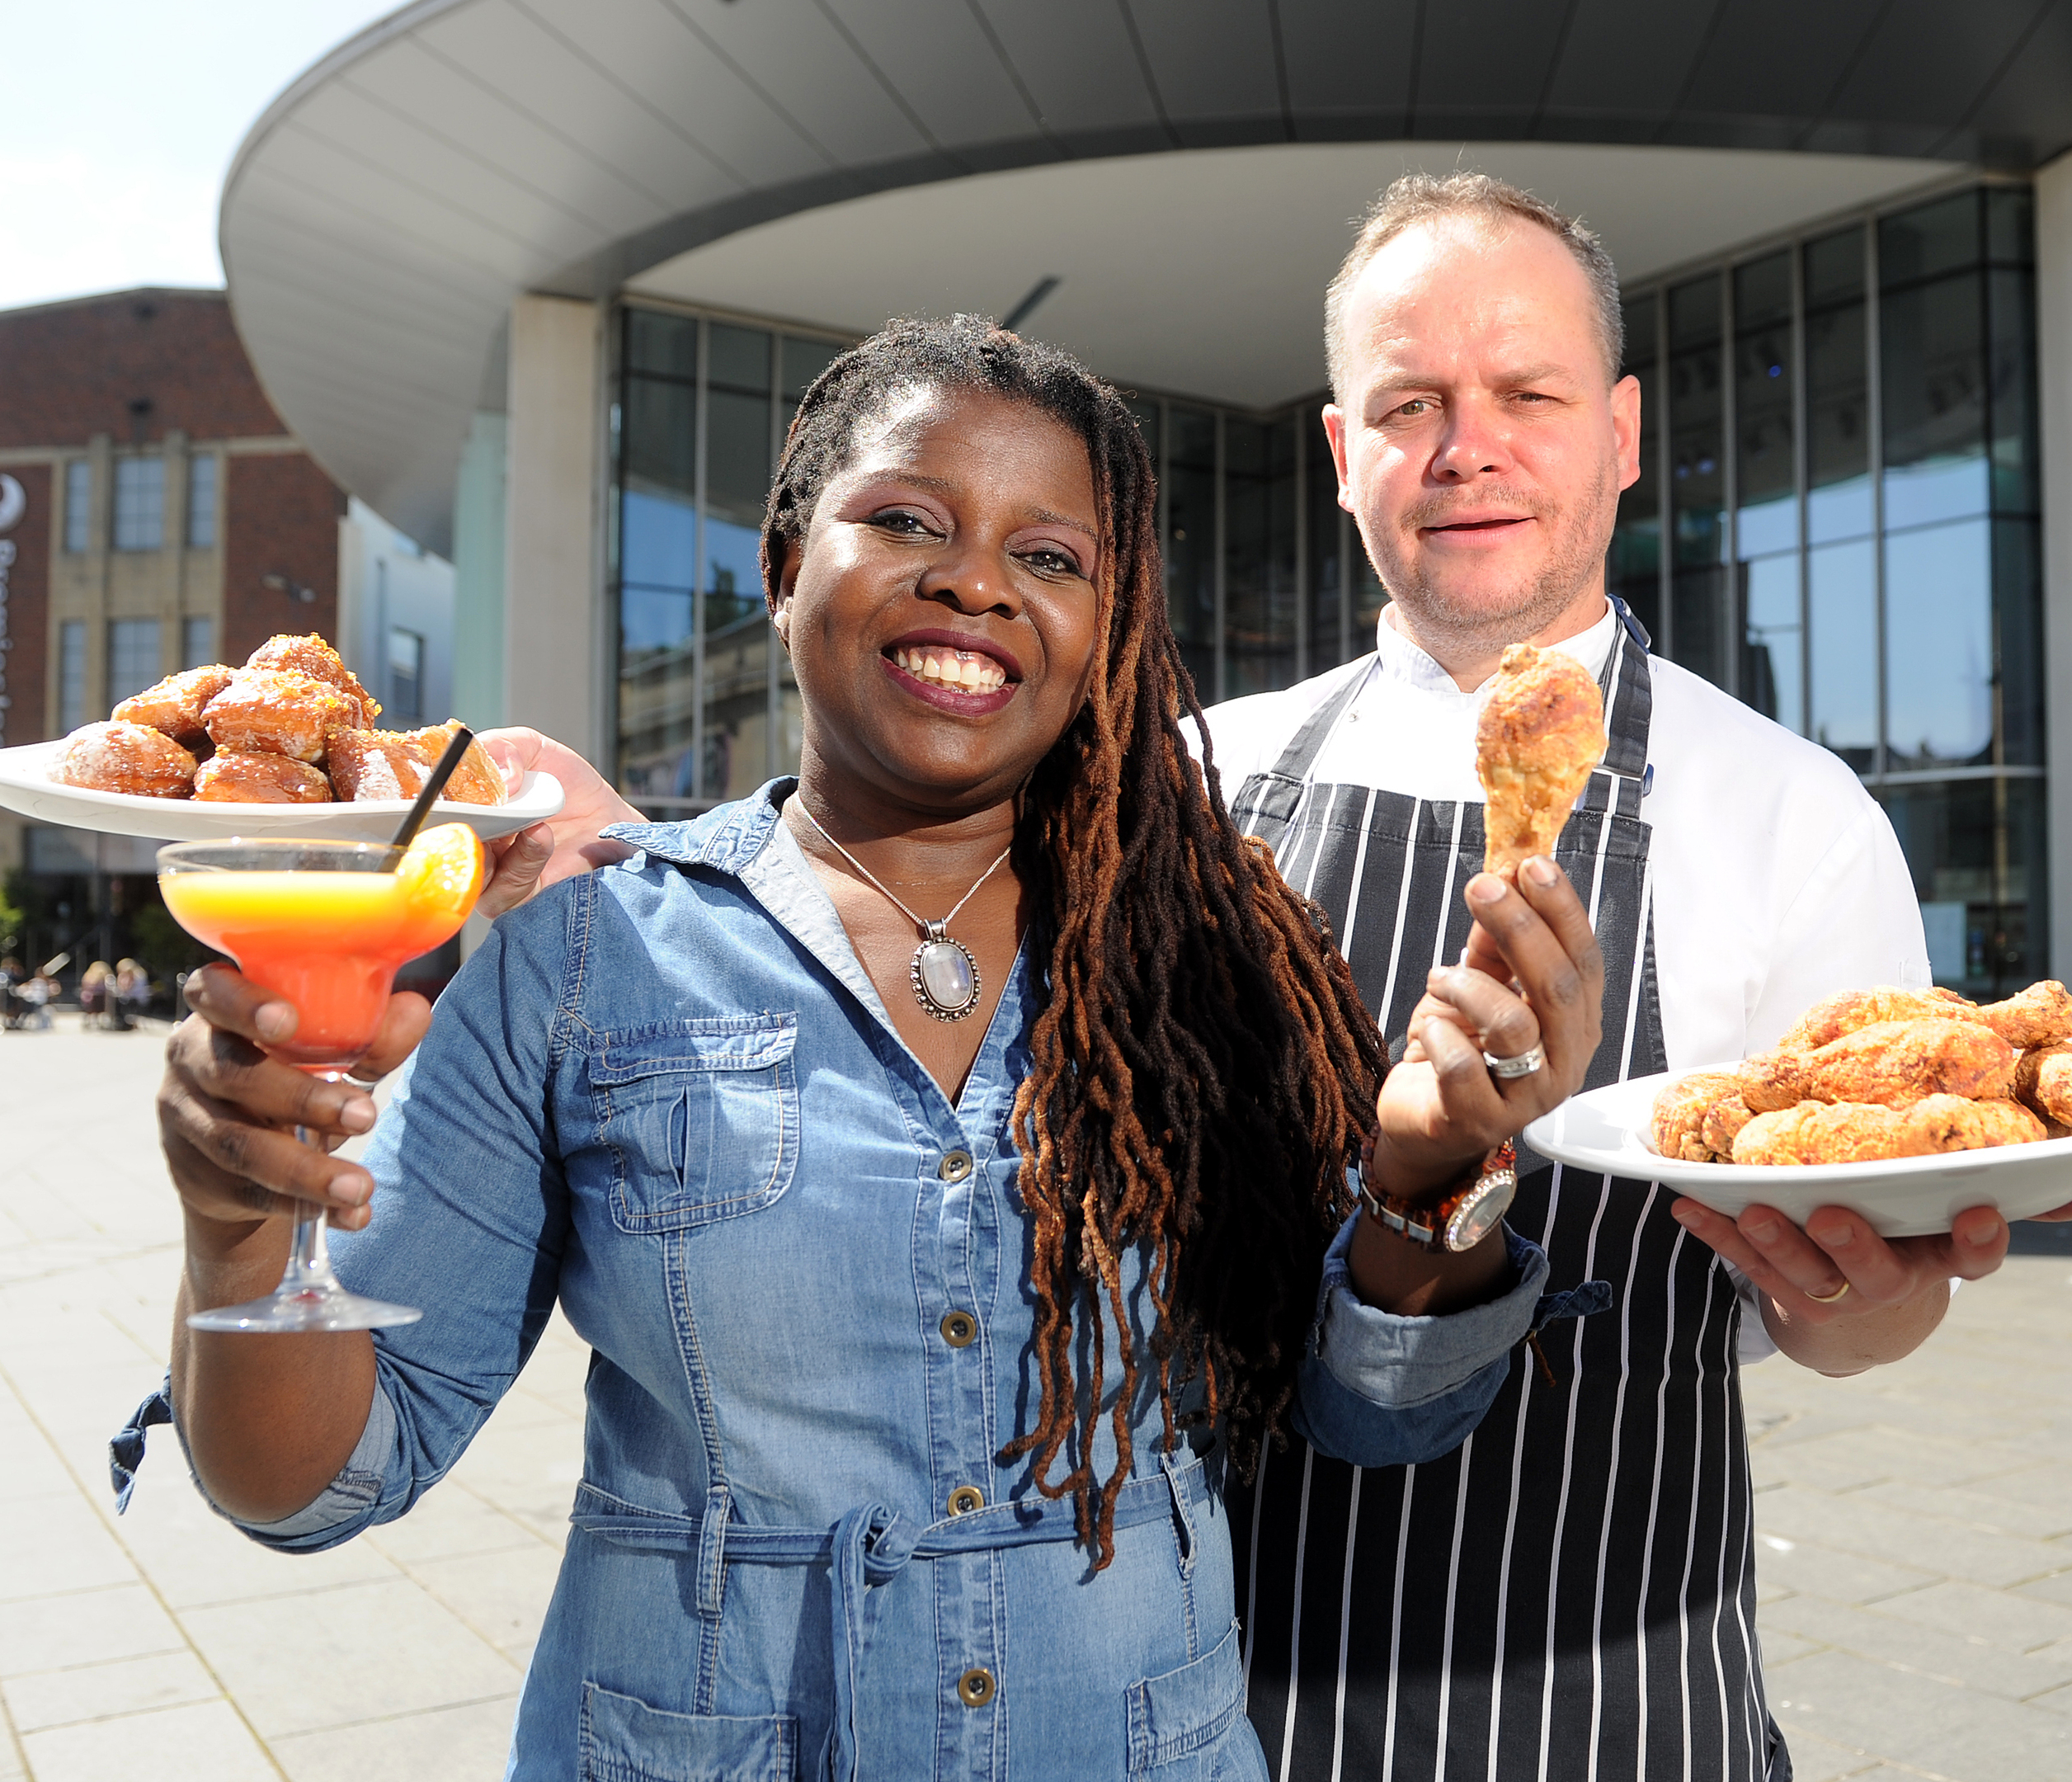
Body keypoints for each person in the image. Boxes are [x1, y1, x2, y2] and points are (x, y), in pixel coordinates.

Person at [125, 318, 1615, 1780]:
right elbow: (310, 1482)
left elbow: (1373, 1418)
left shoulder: (1207, 960)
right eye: (906, 518)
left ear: (1107, 627)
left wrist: (1428, 1182)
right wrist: (238, 1236)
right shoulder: (586, 951)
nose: (975, 581)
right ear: (784, 568)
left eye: (1051, 557)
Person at [1189, 173, 2072, 1779]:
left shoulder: (1791, 809)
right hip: (1233, 1712)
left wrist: (1866, 1297)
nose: (1467, 444)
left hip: (1622, 1700)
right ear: (1346, 458)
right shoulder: (1200, 784)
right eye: (1411, 402)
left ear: (1620, 434)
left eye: (1526, 395)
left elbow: (1847, 1327)